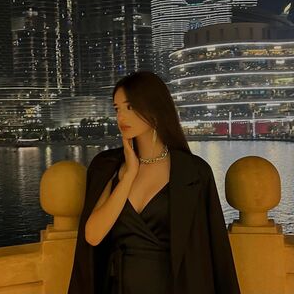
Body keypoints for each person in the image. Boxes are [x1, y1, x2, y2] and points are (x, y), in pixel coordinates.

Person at [68, 71, 241, 294]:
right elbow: (92, 236)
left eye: (130, 107)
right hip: (119, 287)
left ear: (154, 107)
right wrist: (129, 175)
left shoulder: (193, 172)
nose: (121, 117)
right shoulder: (107, 166)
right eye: (117, 108)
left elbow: (216, 250)